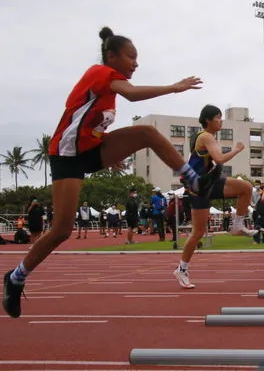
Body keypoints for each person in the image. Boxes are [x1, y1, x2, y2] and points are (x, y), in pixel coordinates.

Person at [3, 26, 208, 318]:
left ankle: (192, 177)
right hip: (66, 155)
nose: (136, 64)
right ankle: (15, 277)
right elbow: (133, 95)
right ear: (111, 56)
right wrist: (174, 87)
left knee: (147, 133)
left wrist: (110, 155)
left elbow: (92, 125)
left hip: (91, 151)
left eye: (137, 59)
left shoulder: (108, 92)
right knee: (61, 230)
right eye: (130, 57)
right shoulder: (100, 73)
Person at [173, 105, 259, 289]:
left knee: (245, 187)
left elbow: (212, 161)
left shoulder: (205, 137)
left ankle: (237, 226)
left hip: (209, 182)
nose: (221, 121)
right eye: (218, 117)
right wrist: (236, 150)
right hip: (198, 188)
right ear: (208, 120)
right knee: (197, 232)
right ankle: (182, 268)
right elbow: (219, 159)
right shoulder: (205, 136)